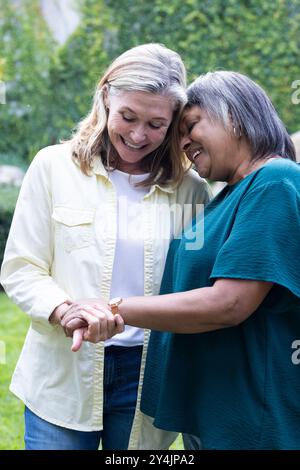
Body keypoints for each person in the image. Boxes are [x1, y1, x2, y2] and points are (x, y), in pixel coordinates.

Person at [61, 71, 300, 450]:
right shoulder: (220, 199)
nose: (184, 142)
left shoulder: (275, 181)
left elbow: (229, 304)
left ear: (233, 116)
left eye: (190, 126)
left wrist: (113, 308)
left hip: (251, 415)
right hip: (208, 407)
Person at [0, 43, 211, 450]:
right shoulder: (52, 167)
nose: (137, 135)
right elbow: (21, 268)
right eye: (128, 117)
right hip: (63, 369)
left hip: (148, 376)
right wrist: (66, 310)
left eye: (156, 124)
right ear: (105, 98)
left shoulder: (190, 190)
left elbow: (195, 283)